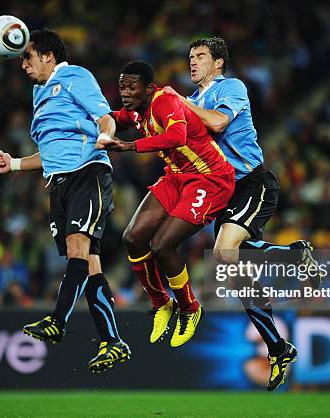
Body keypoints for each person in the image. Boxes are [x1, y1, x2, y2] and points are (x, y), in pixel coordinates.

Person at [164, 37, 322, 390]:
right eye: (190, 57)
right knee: (231, 265)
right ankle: (279, 346)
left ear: (218, 63)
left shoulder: (230, 86)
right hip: (224, 192)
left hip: (253, 182)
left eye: (200, 56)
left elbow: (218, 123)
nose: (192, 63)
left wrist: (181, 107)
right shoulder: (190, 101)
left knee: (224, 254)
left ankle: (295, 259)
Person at [0, 28, 130, 373]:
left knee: (77, 249)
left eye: (28, 56)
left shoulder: (74, 75)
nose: (23, 64)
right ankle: (112, 342)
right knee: (90, 264)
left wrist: (105, 136)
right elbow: (51, 151)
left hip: (87, 173)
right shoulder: (40, 94)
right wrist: (15, 164)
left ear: (48, 56)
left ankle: (57, 321)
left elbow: (105, 117)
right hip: (59, 183)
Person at [96, 61, 235, 347]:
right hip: (177, 176)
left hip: (209, 179)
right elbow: (110, 116)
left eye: (131, 87)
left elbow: (176, 137)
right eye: (122, 86)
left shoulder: (166, 101)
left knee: (161, 245)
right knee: (133, 237)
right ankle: (161, 303)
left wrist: (129, 146)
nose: (125, 92)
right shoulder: (136, 111)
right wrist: (105, 131)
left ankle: (190, 308)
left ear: (148, 88)